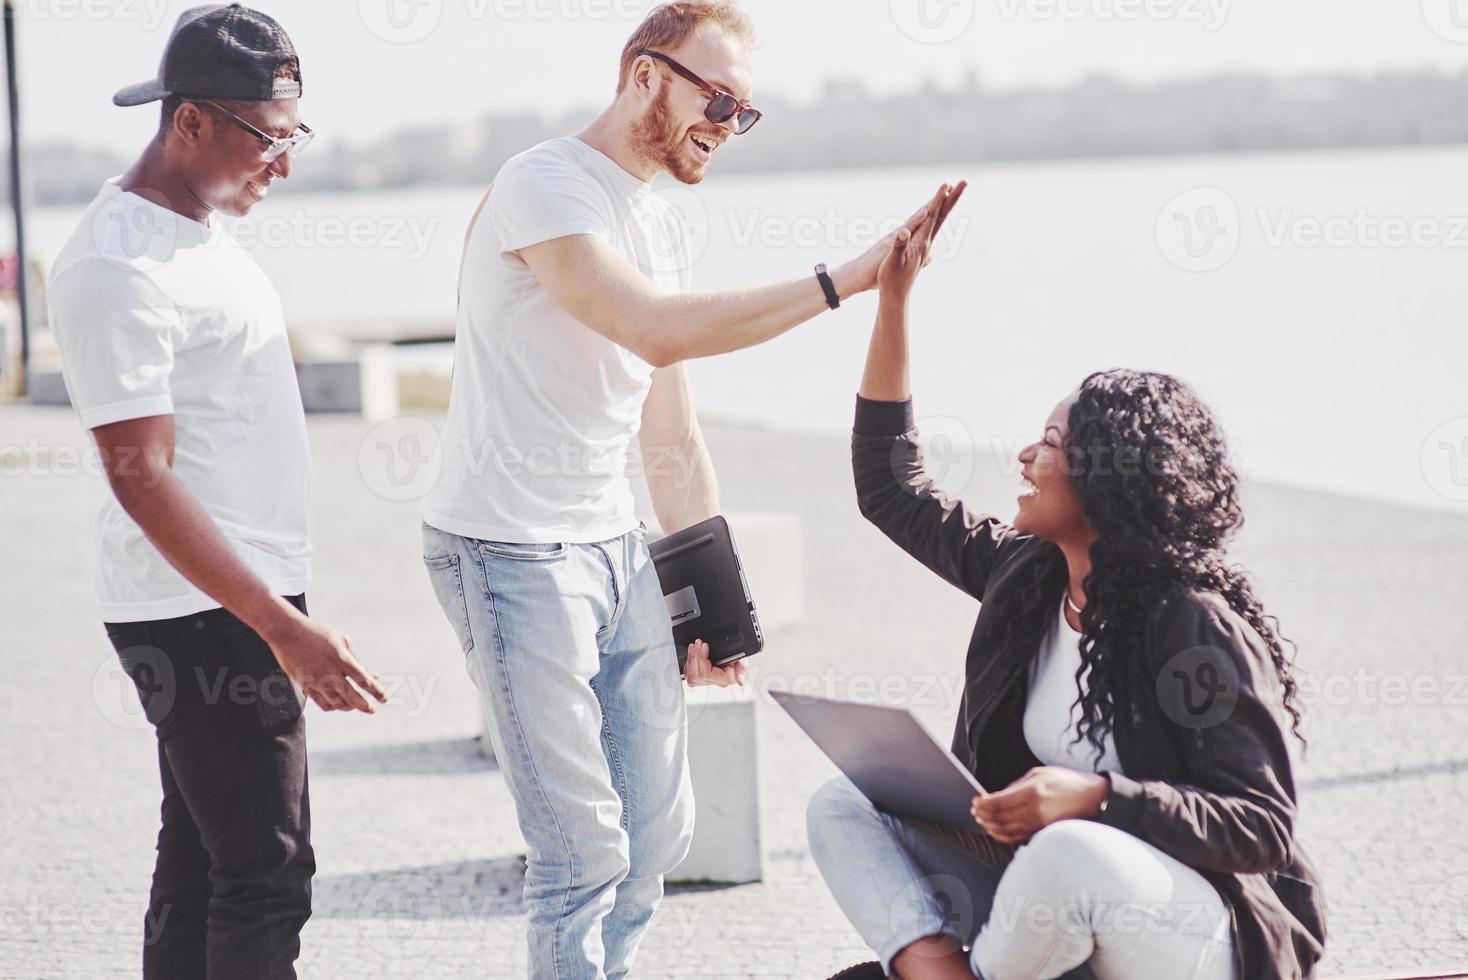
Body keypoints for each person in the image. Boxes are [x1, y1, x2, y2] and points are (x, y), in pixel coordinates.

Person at [419, 2, 956, 976]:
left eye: (744, 112)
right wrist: (848, 280)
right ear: (642, 76)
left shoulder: (662, 219)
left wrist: (711, 592)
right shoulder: (543, 185)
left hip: (611, 543)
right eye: (716, 99)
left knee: (656, 834)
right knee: (580, 847)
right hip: (504, 549)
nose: (725, 125)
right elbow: (654, 326)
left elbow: (666, 425)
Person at [806, 184, 1328, 979]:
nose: (1024, 454)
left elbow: (1261, 827)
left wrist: (1098, 797)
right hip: (1045, 913)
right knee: (847, 804)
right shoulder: (1029, 578)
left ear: (1110, 479)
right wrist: (893, 299)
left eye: (1049, 441)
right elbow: (891, 488)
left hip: (1193, 932)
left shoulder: (1189, 625)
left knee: (1075, 852)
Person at [45, 7, 386, 978]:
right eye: (267, 138)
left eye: (293, 136)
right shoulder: (118, 264)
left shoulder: (193, 225)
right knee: (267, 869)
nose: (283, 163)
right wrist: (280, 625)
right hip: (199, 610)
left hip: (227, 598)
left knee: (201, 858)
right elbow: (138, 475)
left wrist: (279, 609)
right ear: (189, 121)